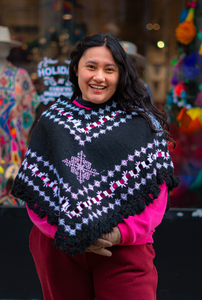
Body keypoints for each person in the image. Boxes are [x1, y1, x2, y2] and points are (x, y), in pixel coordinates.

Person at [11, 33, 179, 300]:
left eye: (109, 69)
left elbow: (156, 196)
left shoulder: (142, 124)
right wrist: (70, 232)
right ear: (76, 68)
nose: (99, 77)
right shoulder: (52, 121)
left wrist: (116, 233)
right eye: (91, 66)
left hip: (124, 250)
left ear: (120, 74)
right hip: (61, 247)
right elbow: (35, 192)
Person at [0, 25, 39, 204]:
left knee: (12, 189)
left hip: (12, 141)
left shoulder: (20, 76)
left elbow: (30, 107)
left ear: (9, 48)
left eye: (3, 45)